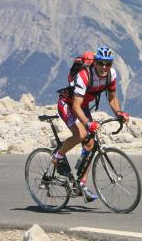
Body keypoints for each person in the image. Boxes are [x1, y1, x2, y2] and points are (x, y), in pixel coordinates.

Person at [53, 46, 130, 202]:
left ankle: (81, 183)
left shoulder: (111, 75)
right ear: (95, 63)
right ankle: (57, 156)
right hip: (68, 104)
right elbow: (75, 106)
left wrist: (119, 113)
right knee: (81, 134)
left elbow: (112, 98)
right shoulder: (84, 75)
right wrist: (88, 124)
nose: (104, 67)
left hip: (82, 106)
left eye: (108, 64)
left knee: (89, 145)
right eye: (101, 63)